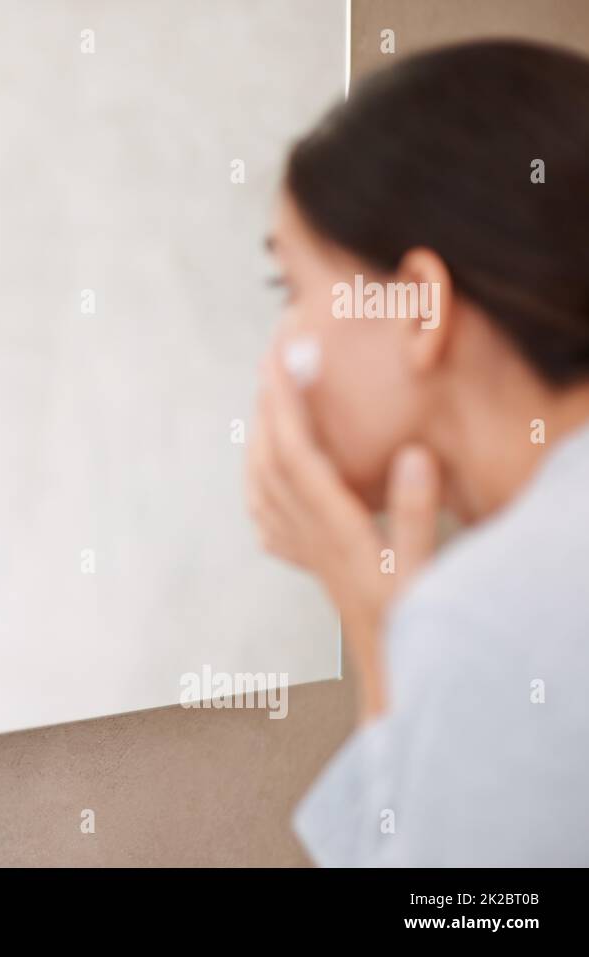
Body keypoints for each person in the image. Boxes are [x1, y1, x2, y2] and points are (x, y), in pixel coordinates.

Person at [248, 39, 589, 865]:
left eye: (290, 290)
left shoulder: (490, 618)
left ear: (420, 308)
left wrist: (395, 643)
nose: (280, 345)